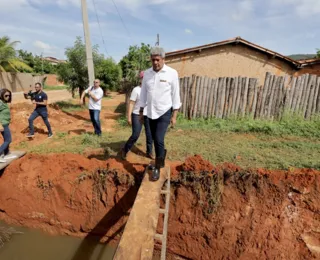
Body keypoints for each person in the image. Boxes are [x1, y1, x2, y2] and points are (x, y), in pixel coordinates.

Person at [138, 46, 181, 181]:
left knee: (158, 138)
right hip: (149, 112)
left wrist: (174, 115)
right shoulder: (147, 73)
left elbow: (175, 94)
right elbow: (143, 93)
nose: (155, 62)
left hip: (164, 112)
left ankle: (157, 166)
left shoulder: (172, 73)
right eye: (153, 60)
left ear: (163, 59)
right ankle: (160, 158)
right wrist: (140, 111)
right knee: (150, 138)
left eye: (157, 60)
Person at [121, 71, 154, 160]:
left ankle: (149, 152)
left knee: (150, 135)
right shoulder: (136, 90)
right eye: (143, 78)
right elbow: (131, 103)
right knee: (135, 135)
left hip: (148, 115)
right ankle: (125, 149)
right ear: (141, 79)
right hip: (137, 115)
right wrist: (129, 116)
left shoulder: (151, 90)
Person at [0, 89, 17, 163]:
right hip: (3, 124)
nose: (8, 97)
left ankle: (7, 153)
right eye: (6, 95)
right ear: (1, 95)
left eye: (9, 95)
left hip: (5, 123)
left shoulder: (4, 102)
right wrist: (0, 125)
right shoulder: (0, 103)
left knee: (6, 139)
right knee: (8, 140)